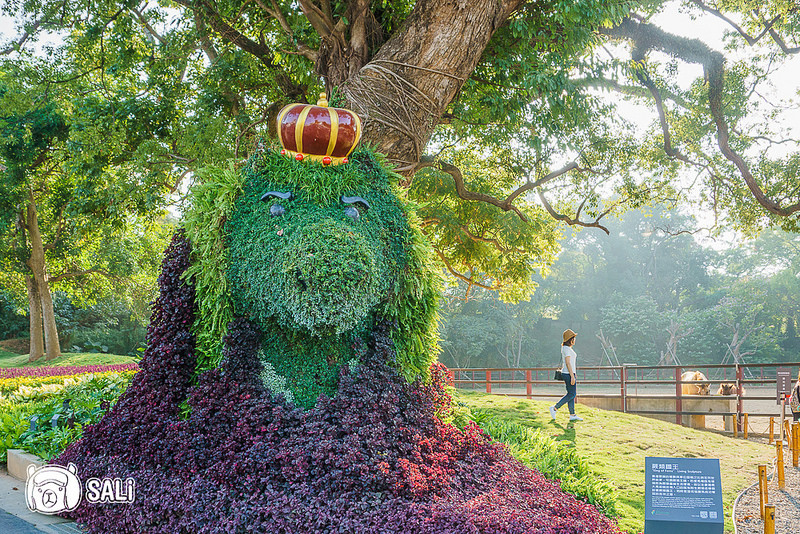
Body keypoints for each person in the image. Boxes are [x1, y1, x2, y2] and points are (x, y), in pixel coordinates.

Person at [550, 329, 582, 422]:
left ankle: (572, 415)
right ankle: (555, 408)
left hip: (569, 373)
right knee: (572, 394)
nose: (574, 340)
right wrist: (572, 376)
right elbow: (568, 363)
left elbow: (570, 363)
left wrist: (574, 374)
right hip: (568, 374)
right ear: (570, 339)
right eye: (573, 338)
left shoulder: (567, 348)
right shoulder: (566, 349)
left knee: (570, 394)